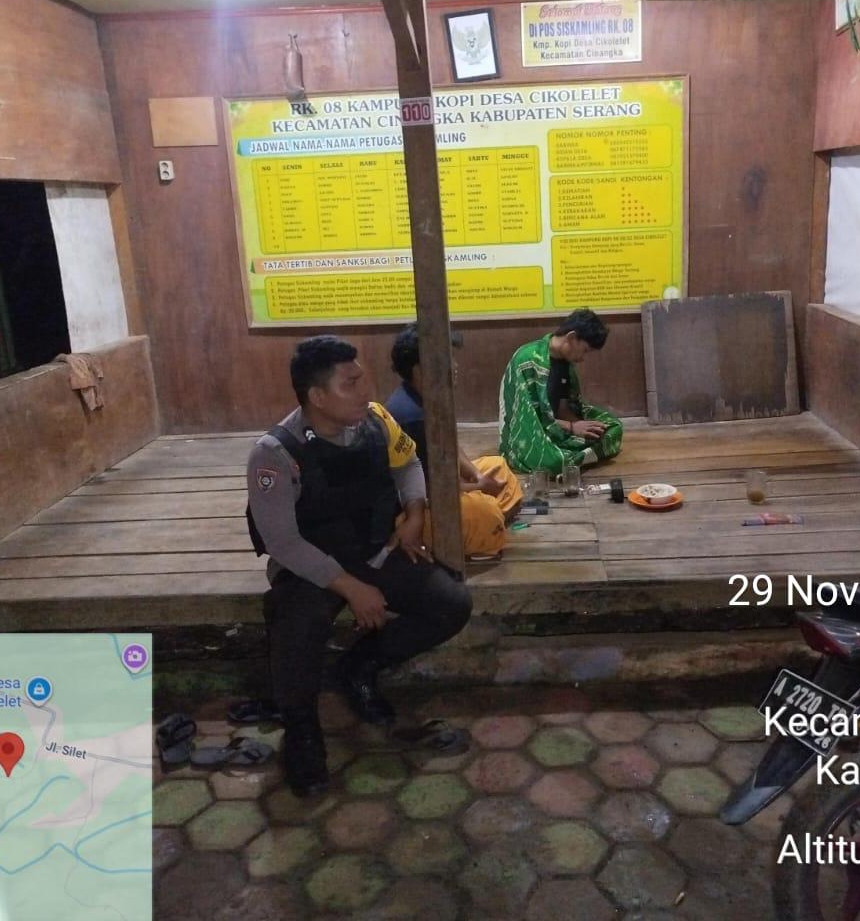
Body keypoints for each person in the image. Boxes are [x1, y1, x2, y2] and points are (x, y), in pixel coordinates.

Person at [246, 336, 471, 797]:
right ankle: (301, 729)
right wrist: (351, 588)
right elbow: (282, 542)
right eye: (350, 384)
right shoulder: (275, 453)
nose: (365, 391)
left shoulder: (376, 420)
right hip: (310, 568)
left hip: (373, 551)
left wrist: (415, 513)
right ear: (317, 396)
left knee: (451, 601)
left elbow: (408, 464)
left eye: (362, 379)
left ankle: (359, 668)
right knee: (296, 623)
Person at [385, 324, 523, 558]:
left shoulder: (430, 397)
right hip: (415, 508)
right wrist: (478, 488)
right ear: (420, 370)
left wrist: (477, 476)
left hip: (445, 484)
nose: (456, 366)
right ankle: (483, 525)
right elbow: (428, 489)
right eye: (448, 360)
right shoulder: (412, 417)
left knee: (498, 466)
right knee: (486, 512)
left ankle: (483, 523)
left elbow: (450, 445)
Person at [498, 308, 623, 477]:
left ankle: (575, 453)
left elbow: (563, 408)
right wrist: (572, 427)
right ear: (571, 338)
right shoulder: (525, 359)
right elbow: (530, 420)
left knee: (613, 427)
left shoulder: (566, 364)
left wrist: (583, 427)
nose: (583, 358)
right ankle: (574, 454)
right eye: (585, 350)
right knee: (555, 462)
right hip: (532, 432)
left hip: (558, 427)